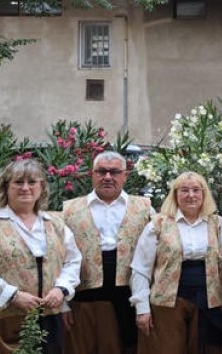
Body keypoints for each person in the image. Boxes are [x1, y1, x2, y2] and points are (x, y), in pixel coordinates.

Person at [0, 159, 82, 354]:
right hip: (3, 321)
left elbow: (73, 260)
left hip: (50, 319)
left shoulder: (56, 224)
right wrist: (12, 295)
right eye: (18, 182)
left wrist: (61, 289)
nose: (25, 188)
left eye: (32, 182)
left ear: (41, 187)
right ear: (6, 187)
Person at [62, 150, 154, 354]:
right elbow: (58, 258)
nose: (107, 177)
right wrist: (62, 304)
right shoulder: (69, 210)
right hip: (85, 297)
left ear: (125, 175)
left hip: (130, 295)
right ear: (92, 174)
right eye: (101, 171)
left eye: (114, 172)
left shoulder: (145, 207)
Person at [130, 171, 222, 354]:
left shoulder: (217, 224)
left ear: (204, 194)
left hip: (207, 302)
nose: (191, 195)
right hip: (167, 303)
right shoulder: (158, 224)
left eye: (196, 190)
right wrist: (142, 308)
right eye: (184, 190)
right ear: (175, 195)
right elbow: (141, 268)